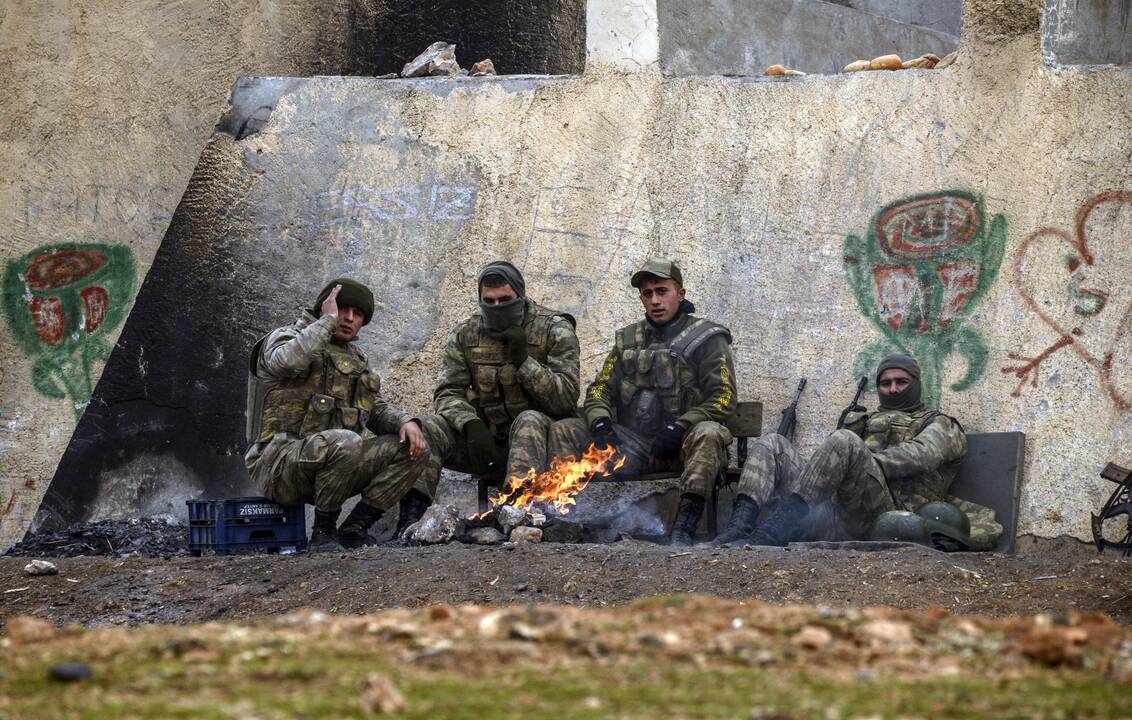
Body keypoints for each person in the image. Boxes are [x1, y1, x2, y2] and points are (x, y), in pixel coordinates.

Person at [716, 352, 999, 549]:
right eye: (885, 383)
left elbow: (922, 454)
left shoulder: (941, 424)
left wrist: (860, 460)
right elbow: (825, 465)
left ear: (916, 384)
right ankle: (739, 527)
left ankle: (774, 532)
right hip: (829, 515)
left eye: (902, 382)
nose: (893, 389)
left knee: (844, 442)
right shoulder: (863, 420)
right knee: (772, 444)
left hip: (887, 520)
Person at [548, 258, 737, 546]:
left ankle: (683, 530)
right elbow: (600, 388)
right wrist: (600, 421)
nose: (655, 300)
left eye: (662, 291)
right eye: (647, 294)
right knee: (565, 429)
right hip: (634, 444)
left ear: (681, 294)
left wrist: (681, 426)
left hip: (684, 444)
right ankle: (570, 521)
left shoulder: (707, 339)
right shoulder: (628, 341)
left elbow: (724, 397)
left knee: (710, 434)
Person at [245, 278, 442, 551]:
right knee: (347, 442)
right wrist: (325, 323)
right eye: (342, 309)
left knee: (414, 447)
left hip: (334, 466)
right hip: (281, 465)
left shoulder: (356, 360)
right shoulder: (286, 337)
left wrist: (405, 422)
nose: (348, 318)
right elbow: (286, 362)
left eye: (357, 314)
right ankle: (323, 534)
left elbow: (374, 408)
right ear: (326, 307)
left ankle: (353, 529)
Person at [406, 261, 581, 532]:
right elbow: (447, 392)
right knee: (428, 427)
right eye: (489, 301)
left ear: (520, 296)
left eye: (505, 300)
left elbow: (566, 398)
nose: (497, 307)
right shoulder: (466, 333)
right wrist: (470, 424)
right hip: (483, 443)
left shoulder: (554, 328)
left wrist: (524, 361)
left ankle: (516, 514)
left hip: (536, 444)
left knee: (529, 419)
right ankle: (412, 519)